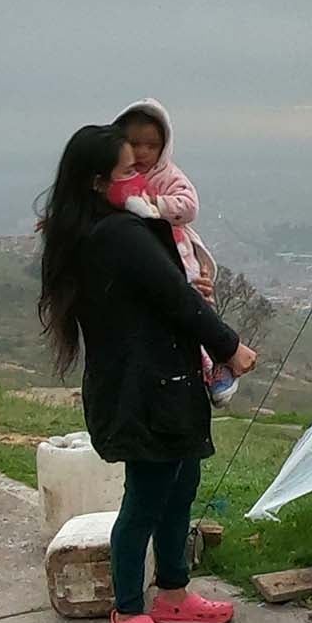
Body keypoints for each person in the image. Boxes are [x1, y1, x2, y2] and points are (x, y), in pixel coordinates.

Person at [37, 124, 257, 623]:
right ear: (96, 182)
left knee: (181, 483)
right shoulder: (117, 234)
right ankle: (130, 606)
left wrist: (187, 288)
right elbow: (173, 301)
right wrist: (229, 346)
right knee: (148, 494)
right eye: (125, 172)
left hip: (164, 380)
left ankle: (175, 591)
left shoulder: (106, 229)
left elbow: (163, 293)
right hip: (144, 390)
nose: (137, 178)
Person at [113, 98, 240, 408]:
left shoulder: (167, 176)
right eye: (134, 143)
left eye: (151, 145)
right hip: (151, 259)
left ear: (164, 147)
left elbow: (189, 206)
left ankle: (217, 366)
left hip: (178, 249)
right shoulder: (119, 177)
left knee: (193, 303)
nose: (142, 152)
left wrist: (156, 206)